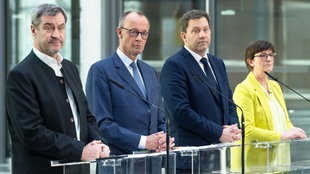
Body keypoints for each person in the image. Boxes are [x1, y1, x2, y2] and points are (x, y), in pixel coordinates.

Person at [5, 3, 110, 174]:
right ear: (33, 30)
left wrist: (99, 143)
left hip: (77, 169)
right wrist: (80, 150)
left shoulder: (70, 68)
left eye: (61, 27)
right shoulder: (21, 75)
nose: (56, 34)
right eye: (49, 27)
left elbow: (87, 117)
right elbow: (32, 132)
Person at [86, 10, 174, 161]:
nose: (139, 38)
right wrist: (144, 142)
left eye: (144, 33)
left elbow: (159, 117)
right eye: (134, 32)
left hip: (152, 163)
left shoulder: (149, 71)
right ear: (119, 32)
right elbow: (102, 124)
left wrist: (162, 139)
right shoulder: (101, 70)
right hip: (119, 163)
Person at [159, 9, 241, 173]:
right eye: (196, 31)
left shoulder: (218, 64)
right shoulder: (174, 65)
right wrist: (219, 132)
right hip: (190, 158)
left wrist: (233, 127)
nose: (202, 35)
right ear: (184, 36)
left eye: (205, 29)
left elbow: (229, 102)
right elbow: (180, 111)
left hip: (220, 155)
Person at [230, 40, 307, 172]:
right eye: (263, 55)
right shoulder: (244, 89)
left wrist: (294, 130)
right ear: (251, 61)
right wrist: (282, 135)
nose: (269, 59)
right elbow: (247, 130)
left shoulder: (275, 86)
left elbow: (284, 121)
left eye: (271, 55)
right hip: (254, 166)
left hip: (279, 163)